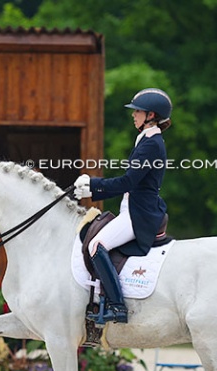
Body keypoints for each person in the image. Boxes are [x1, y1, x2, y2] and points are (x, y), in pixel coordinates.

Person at [73, 88, 172, 324]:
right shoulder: (147, 140)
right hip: (133, 208)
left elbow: (128, 181)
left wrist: (92, 186)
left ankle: (118, 307)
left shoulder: (151, 145)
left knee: (96, 246)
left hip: (139, 214)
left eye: (137, 111)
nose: (133, 115)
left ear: (151, 115)